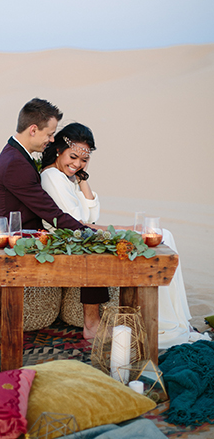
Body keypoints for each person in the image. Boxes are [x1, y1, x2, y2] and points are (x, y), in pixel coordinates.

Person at [41, 122, 210, 349]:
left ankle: (173, 321)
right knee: (158, 237)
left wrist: (82, 178)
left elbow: (91, 213)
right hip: (72, 241)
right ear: (59, 149)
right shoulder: (52, 176)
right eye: (73, 157)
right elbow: (76, 223)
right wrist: (121, 228)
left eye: (84, 159)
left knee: (163, 235)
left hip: (83, 235)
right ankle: (165, 322)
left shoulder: (69, 178)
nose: (77, 164)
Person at [0, 99, 109, 339]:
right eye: (50, 133)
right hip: (25, 240)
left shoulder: (17, 156)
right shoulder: (15, 163)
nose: (52, 140)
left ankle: (92, 324)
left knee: (90, 244)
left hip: (34, 233)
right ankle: (92, 325)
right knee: (93, 251)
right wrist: (86, 232)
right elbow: (51, 213)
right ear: (33, 129)